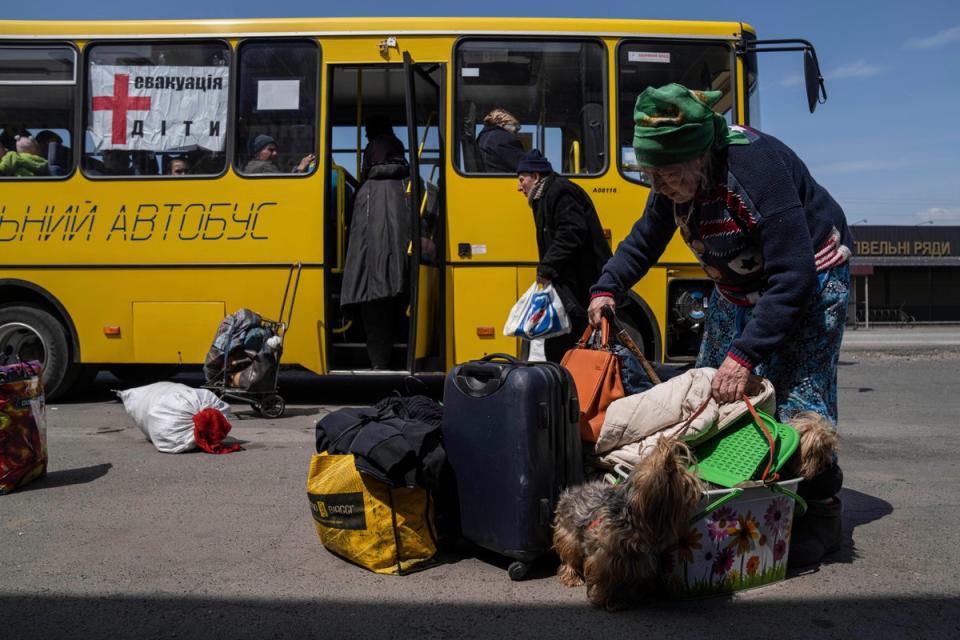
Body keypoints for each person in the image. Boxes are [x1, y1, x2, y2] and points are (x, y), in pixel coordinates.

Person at [587, 83, 853, 566]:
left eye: (667, 175)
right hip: (736, 287)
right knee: (712, 396)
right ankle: (733, 502)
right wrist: (608, 287)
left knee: (799, 404)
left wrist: (746, 353)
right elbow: (647, 237)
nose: (660, 185)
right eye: (652, 175)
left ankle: (821, 513)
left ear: (699, 157)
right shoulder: (673, 179)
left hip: (810, 279)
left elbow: (793, 275)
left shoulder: (757, 169)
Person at [516, 149, 612, 362]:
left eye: (522, 179)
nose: (519, 186)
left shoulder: (561, 191)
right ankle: (562, 386)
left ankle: (569, 389)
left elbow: (571, 233)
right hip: (568, 285)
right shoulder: (543, 196)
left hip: (580, 285)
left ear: (537, 176)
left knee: (569, 343)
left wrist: (546, 268)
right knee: (560, 343)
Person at [340, 143, 411, 369]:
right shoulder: (410, 184)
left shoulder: (366, 189)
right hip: (405, 268)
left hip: (370, 270)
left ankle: (379, 364)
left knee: (375, 319)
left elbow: (357, 232)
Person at [477, 108, 525, 173]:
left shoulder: (482, 136)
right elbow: (525, 165)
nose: (516, 134)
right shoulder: (504, 138)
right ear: (503, 124)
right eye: (515, 129)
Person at [360, 115, 405, 182]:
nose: (366, 135)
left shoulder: (373, 145)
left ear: (374, 130)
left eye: (368, 131)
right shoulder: (398, 144)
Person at [244, 134, 315, 174]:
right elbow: (286, 186)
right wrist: (301, 167)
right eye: (270, 150)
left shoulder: (253, 165)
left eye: (275, 150)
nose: (275, 153)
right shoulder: (262, 167)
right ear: (258, 152)